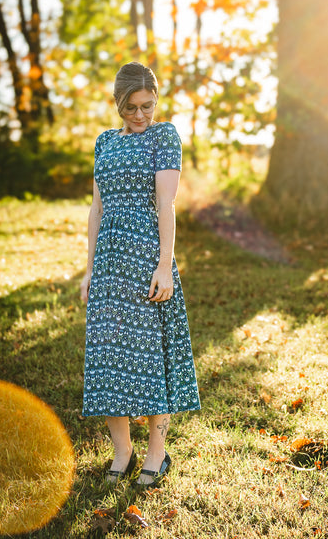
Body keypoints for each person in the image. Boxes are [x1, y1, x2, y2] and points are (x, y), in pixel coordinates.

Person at [80, 62, 201, 488]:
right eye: (131, 107)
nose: (140, 115)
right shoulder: (104, 143)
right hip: (110, 265)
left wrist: (165, 264)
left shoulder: (163, 136)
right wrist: (90, 269)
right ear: (118, 104)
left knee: (151, 357)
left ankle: (156, 452)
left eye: (147, 105)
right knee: (109, 356)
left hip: (148, 262)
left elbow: (165, 204)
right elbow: (97, 209)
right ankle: (123, 451)